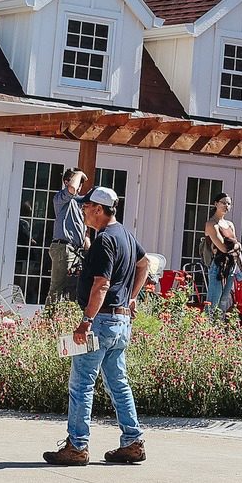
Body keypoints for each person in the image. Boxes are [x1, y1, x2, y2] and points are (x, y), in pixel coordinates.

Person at [44, 185, 151, 466]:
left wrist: (85, 322)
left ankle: (77, 446)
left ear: (100, 210)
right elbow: (144, 264)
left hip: (101, 321)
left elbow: (101, 284)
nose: (83, 210)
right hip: (120, 322)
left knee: (81, 384)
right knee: (118, 383)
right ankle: (132, 440)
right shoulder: (125, 234)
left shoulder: (104, 240)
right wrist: (130, 298)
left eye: (87, 206)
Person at [50, 168, 88, 303]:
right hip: (63, 248)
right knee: (57, 288)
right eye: (78, 181)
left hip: (76, 250)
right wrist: (79, 174)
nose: (79, 186)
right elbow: (72, 188)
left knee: (73, 289)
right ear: (66, 182)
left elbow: (83, 230)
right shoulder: (61, 198)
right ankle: (47, 322)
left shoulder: (80, 203)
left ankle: (65, 319)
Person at [199, 193, 241, 314]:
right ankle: (206, 328)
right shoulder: (211, 224)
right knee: (213, 301)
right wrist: (237, 245)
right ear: (216, 204)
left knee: (224, 301)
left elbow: (237, 250)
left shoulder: (230, 225)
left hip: (231, 265)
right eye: (223, 203)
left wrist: (241, 268)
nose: (226, 206)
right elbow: (223, 248)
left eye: (229, 203)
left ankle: (218, 329)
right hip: (217, 265)